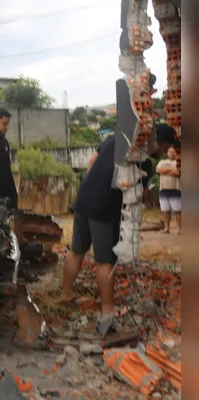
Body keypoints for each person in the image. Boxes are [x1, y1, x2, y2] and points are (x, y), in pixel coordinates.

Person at [58, 123, 178, 335]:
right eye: (168, 145)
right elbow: (137, 196)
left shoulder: (116, 139)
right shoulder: (143, 160)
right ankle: (107, 309)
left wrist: (97, 184)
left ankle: (65, 293)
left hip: (84, 199)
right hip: (104, 208)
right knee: (106, 261)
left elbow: (92, 162)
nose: (164, 151)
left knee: (77, 249)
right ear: (160, 142)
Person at [156, 146, 181, 234]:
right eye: (170, 151)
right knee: (165, 210)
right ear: (167, 153)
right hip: (163, 189)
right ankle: (167, 228)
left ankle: (180, 228)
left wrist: (165, 171)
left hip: (175, 189)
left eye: (174, 151)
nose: (172, 153)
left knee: (177, 210)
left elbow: (178, 172)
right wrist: (171, 169)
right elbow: (158, 170)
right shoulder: (162, 162)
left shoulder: (179, 162)